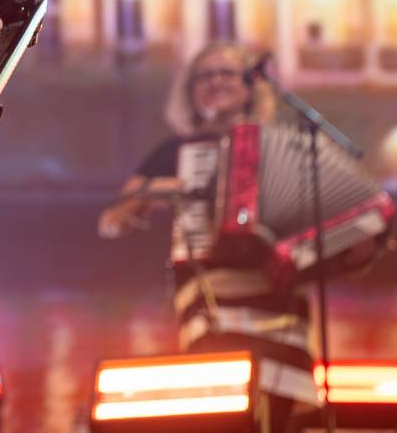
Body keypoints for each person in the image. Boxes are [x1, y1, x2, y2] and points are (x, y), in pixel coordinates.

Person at [98, 42, 319, 433]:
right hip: (213, 310)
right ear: (190, 91)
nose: (217, 82)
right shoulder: (177, 151)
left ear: (250, 87)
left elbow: (316, 222)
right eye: (206, 75)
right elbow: (111, 222)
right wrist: (163, 189)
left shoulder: (285, 149)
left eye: (228, 73)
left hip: (282, 311)